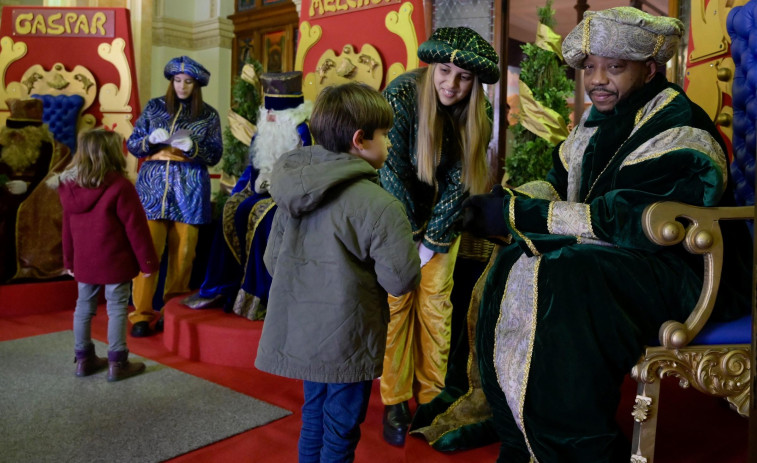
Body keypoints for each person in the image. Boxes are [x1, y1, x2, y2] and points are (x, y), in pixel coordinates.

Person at [460, 7, 752, 461]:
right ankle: (523, 438)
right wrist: (505, 203)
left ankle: (577, 450)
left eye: (614, 67)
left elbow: (640, 221)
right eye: (590, 67)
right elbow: (560, 186)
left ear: (648, 68)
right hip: (624, 262)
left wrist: (521, 214)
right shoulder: (592, 127)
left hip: (685, 271)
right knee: (515, 261)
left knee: (566, 275)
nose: (597, 80)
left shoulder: (680, 127)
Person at [255, 82, 421, 462]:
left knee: (313, 418)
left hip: (304, 333)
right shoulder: (380, 204)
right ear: (361, 139)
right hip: (348, 339)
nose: (391, 143)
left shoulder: (293, 192)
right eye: (386, 135)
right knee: (341, 431)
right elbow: (401, 279)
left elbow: (272, 261)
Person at [377, 26, 500, 446]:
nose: (452, 83)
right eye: (445, 71)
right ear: (433, 67)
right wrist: (409, 238)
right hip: (394, 218)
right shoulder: (401, 95)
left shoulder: (476, 114)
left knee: (435, 307)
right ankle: (394, 399)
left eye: (464, 77)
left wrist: (431, 242)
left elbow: (460, 182)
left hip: (439, 225)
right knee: (396, 307)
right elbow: (390, 172)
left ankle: (431, 397)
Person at [183, 71, 312, 320]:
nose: (270, 115)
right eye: (268, 110)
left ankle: (259, 296)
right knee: (232, 208)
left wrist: (277, 183)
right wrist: (249, 187)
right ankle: (221, 286)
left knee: (262, 218)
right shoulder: (264, 127)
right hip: (262, 189)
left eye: (276, 111)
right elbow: (253, 167)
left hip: (291, 195)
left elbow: (307, 171)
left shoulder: (304, 130)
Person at [48, 129, 159, 381]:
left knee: (83, 307)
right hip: (115, 260)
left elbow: (66, 228)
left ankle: (83, 360)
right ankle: (117, 363)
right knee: (117, 307)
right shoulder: (120, 186)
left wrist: (68, 260)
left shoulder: (68, 187)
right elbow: (136, 229)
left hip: (84, 261)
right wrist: (148, 262)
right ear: (111, 153)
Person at [126, 55, 223, 337]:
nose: (182, 86)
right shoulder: (155, 107)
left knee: (184, 255)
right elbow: (133, 144)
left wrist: (193, 147)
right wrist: (149, 141)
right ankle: (141, 315)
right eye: (177, 80)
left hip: (190, 188)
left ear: (196, 85)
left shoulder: (208, 115)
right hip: (153, 188)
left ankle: (172, 313)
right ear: (171, 81)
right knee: (147, 253)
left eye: (188, 82)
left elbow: (215, 154)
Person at [0, 97, 70, 282]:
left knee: (17, 212)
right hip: (3, 194)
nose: (14, 136)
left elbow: (54, 180)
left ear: (34, 131)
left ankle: (22, 267)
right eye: (11, 131)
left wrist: (28, 187)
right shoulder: (2, 145)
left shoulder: (53, 149)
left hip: (36, 198)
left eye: (20, 131)